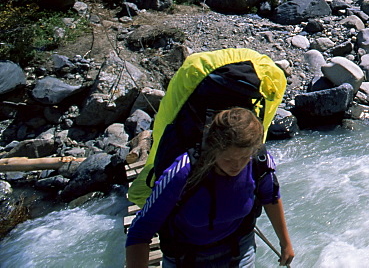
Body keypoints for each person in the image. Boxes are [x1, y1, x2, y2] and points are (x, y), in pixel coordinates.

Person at [125, 107, 294, 267]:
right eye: (228, 159)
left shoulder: (259, 161)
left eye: (244, 158)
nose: (237, 166)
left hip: (239, 249)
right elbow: (140, 231)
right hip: (186, 258)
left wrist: (285, 243)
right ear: (214, 149)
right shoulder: (183, 172)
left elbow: (270, 197)